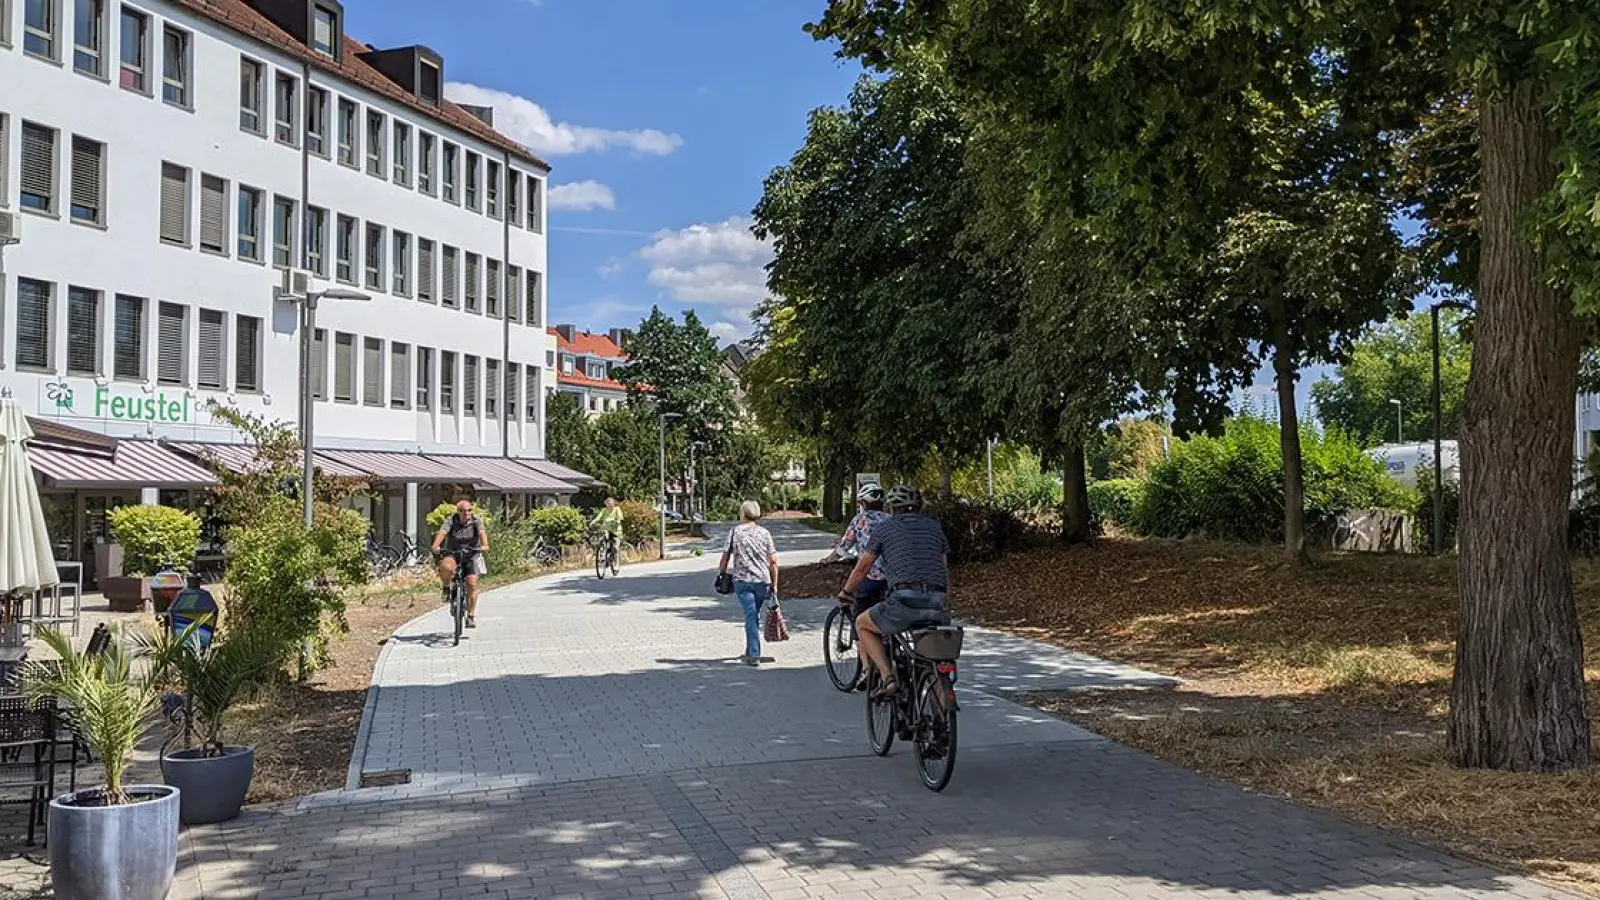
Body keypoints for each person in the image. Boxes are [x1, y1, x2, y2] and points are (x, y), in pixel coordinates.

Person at [837, 485, 950, 697]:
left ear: (891, 507)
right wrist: (946, 601)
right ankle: (940, 704)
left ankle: (888, 677)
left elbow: (863, 567)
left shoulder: (885, 528)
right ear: (920, 506)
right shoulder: (935, 527)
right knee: (929, 656)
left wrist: (847, 591)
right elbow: (943, 569)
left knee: (862, 624)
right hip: (937, 601)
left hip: (904, 600)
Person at [718, 500, 779, 667]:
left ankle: (754, 653)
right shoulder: (765, 533)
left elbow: (726, 555)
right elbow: (773, 560)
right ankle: (750, 649)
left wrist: (721, 572)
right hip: (762, 581)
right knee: (754, 613)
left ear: (743, 513)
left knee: (751, 615)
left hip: (742, 581)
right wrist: (775, 583)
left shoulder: (735, 532)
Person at [431, 496, 489, 628]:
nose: (467, 513)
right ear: (458, 511)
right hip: (454, 552)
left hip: (471, 554)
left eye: (469, 510)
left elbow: (482, 535)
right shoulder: (451, 521)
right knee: (446, 567)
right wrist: (436, 546)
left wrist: (484, 546)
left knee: (472, 584)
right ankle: (446, 587)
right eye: (463, 510)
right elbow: (442, 532)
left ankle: (471, 616)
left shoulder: (476, 521)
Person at [590, 497, 624, 564]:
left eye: (610, 503)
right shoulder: (604, 510)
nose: (609, 505)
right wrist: (593, 522)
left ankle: (616, 563)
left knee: (615, 548)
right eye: (608, 503)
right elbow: (598, 517)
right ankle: (602, 552)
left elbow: (619, 517)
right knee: (602, 537)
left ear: (613, 503)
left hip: (615, 530)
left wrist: (617, 521)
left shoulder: (617, 509)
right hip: (606, 528)